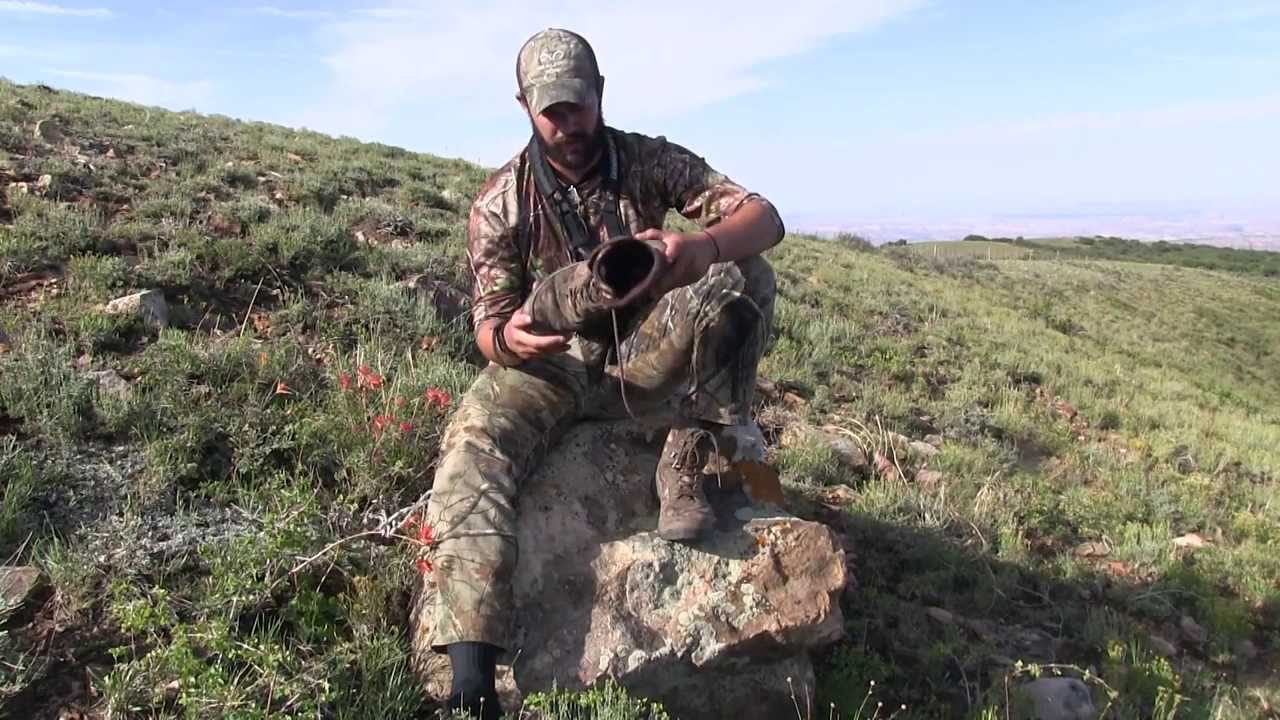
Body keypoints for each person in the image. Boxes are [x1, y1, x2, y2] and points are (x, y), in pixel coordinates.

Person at [417, 27, 786, 719]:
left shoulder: (649, 160)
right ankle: (471, 675)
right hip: (551, 364)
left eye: (578, 106)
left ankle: (689, 450)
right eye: (551, 110)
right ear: (524, 105)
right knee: (473, 447)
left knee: (745, 274)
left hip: (646, 354)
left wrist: (700, 246)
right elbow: (488, 321)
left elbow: (763, 217)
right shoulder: (500, 201)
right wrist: (505, 335)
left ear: (601, 95)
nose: (568, 125)